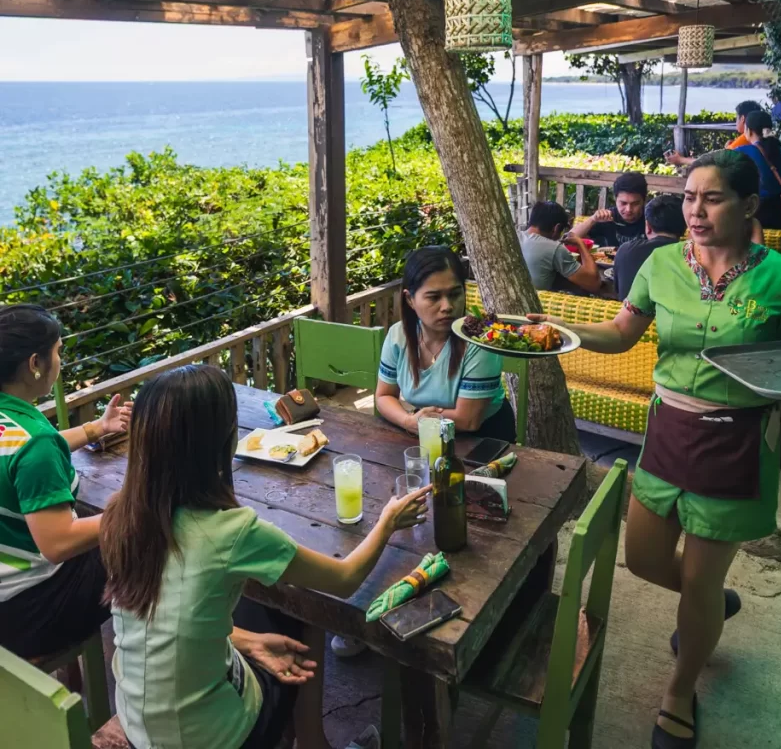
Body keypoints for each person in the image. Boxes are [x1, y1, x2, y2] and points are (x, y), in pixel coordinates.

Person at [527, 150, 781, 748]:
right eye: (689, 197)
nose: (696, 211)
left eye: (712, 198)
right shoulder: (660, 264)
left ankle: (680, 689)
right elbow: (623, 332)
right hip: (668, 432)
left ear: (747, 206)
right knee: (648, 561)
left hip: (737, 440)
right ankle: (707, 607)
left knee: (701, 580)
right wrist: (564, 333)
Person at [100, 364, 427, 749]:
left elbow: (163, 623)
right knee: (302, 613)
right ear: (218, 442)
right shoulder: (233, 532)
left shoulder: (119, 514)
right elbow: (345, 578)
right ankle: (311, 743)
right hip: (209, 736)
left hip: (141, 721)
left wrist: (249, 641)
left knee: (255, 614)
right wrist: (388, 521)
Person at [0, 304, 131, 659]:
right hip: (24, 614)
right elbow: (56, 543)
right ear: (34, 364)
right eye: (58, 352)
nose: (60, 362)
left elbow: (27, 453)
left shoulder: (15, 428)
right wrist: (138, 511)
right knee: (140, 549)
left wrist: (94, 430)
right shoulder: (35, 443)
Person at [375, 246, 516, 442]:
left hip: (482, 440)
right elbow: (383, 396)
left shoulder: (481, 342)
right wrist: (408, 421)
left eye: (455, 294)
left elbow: (468, 420)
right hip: (425, 433)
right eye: (434, 297)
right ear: (410, 299)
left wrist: (421, 420)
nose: (447, 306)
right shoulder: (399, 336)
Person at [613, 195, 686, 300]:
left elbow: (618, 290)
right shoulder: (693, 256)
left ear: (648, 227)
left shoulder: (625, 251)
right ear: (684, 228)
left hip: (628, 314)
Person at [519, 201, 600, 293]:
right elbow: (594, 283)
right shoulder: (554, 248)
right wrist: (581, 244)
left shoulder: (515, 236)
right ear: (556, 228)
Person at [737, 108, 781, 238]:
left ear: (749, 131)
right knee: (780, 248)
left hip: (755, 211)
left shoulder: (743, 151)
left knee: (756, 253)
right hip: (779, 210)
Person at [665, 100, 762, 167]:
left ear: (742, 119)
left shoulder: (745, 139)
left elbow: (713, 162)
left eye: (736, 118)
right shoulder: (761, 138)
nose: (736, 121)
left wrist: (680, 160)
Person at [569, 171, 648, 249]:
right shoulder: (607, 217)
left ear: (644, 200)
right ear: (615, 199)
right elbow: (568, 239)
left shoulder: (651, 218)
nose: (628, 209)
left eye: (635, 204)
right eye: (623, 203)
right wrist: (593, 219)